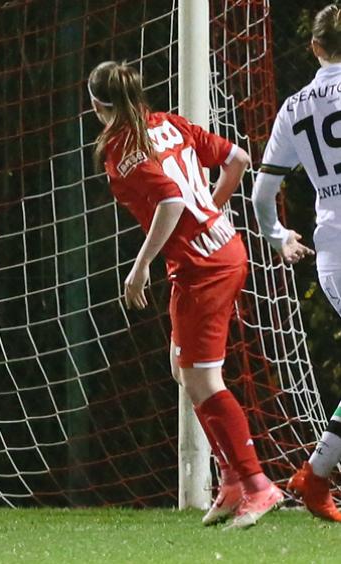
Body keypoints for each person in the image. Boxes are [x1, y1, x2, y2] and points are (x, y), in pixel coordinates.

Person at [88, 60, 282, 528]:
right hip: (222, 249)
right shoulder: (169, 123)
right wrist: (212, 210)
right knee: (183, 368)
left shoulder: (120, 149)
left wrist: (139, 269)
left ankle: (258, 485)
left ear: (97, 105)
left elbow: (172, 202)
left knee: (202, 378)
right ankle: (232, 479)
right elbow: (237, 158)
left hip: (203, 267)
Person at [252, 3, 341, 523]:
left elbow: (264, 192)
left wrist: (276, 234)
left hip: (332, 250)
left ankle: (315, 475)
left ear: (314, 47)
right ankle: (316, 475)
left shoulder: (294, 106)